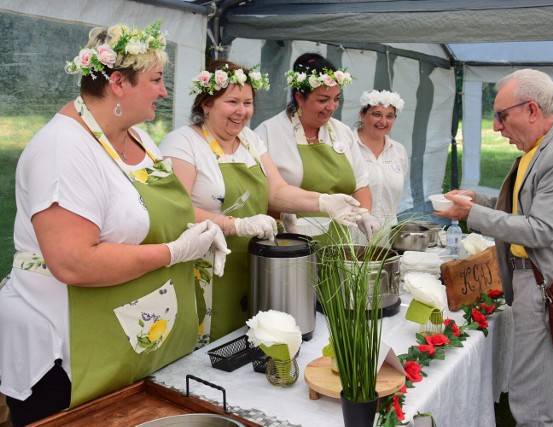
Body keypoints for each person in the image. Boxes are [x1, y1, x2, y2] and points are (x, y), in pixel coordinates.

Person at [0, 21, 230, 426]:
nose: (164, 90)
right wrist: (174, 253)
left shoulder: (137, 137)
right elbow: (73, 262)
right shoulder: (63, 151)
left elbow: (154, 210)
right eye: (157, 79)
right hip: (66, 354)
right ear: (119, 82)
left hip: (126, 342)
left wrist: (227, 226)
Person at [434, 68, 553, 426]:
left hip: (545, 283)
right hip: (540, 280)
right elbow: (529, 205)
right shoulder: (546, 145)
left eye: (501, 116)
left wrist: (472, 213)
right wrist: (480, 199)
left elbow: (540, 228)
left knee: (532, 399)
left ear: (531, 110)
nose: (496, 127)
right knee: (541, 388)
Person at [160, 59, 364, 343]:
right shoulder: (182, 143)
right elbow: (174, 210)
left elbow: (277, 191)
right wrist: (234, 225)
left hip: (254, 266)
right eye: (232, 101)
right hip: (206, 270)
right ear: (206, 104)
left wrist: (325, 202)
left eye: (247, 102)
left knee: (256, 339)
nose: (241, 112)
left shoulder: (250, 141)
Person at [254, 52, 380, 242]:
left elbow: (360, 185)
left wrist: (364, 214)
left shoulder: (342, 133)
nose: (331, 106)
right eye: (322, 100)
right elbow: (260, 194)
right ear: (299, 97)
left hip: (338, 244)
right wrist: (283, 213)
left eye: (336, 98)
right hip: (288, 243)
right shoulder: (268, 133)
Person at [353, 90, 408, 243]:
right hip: (352, 233)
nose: (383, 121)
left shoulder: (398, 151)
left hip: (388, 235)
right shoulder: (348, 147)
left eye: (389, 116)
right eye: (377, 114)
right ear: (362, 115)